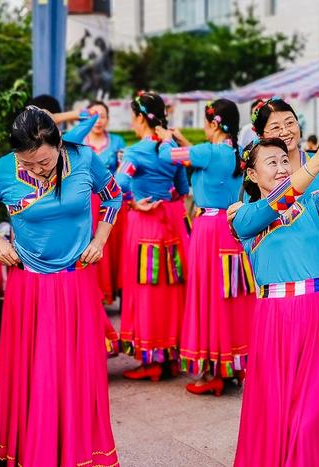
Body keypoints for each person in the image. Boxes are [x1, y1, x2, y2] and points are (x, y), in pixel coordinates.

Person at [0, 106, 121, 467]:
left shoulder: (84, 159)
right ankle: (31, 450)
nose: (38, 170)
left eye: (44, 162)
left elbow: (113, 196)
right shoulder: (2, 169)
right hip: (28, 286)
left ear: (58, 143)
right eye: (29, 164)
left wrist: (100, 239)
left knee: (78, 372)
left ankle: (77, 451)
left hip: (75, 282)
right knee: (32, 372)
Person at [230, 113, 319, 465]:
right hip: (275, 320)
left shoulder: (310, 204)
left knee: (315, 411)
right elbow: (277, 201)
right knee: (278, 408)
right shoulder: (242, 216)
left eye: (284, 160)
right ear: (251, 174)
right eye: (271, 162)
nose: (281, 167)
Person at [156, 99, 254, 397]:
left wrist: (164, 138)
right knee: (232, 297)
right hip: (233, 229)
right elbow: (201, 156)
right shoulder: (235, 152)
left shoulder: (207, 153)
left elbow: (167, 157)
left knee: (208, 298)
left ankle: (212, 371)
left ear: (213, 123)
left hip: (208, 232)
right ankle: (235, 364)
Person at [115, 91, 190, 382]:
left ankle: (151, 360)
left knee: (145, 292)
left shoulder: (135, 153)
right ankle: (170, 357)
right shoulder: (170, 150)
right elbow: (182, 189)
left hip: (144, 225)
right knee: (170, 290)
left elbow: (118, 185)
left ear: (139, 118)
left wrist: (134, 201)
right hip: (170, 227)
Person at [85, 100, 127, 305]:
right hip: (85, 204)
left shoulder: (118, 142)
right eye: (94, 115)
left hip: (110, 202)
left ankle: (109, 293)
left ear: (108, 119)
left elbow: (125, 171)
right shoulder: (78, 142)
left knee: (110, 248)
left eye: (102, 116)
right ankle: (91, 294)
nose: (98, 120)